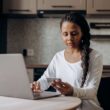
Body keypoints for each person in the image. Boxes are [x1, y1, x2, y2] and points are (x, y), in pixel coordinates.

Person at [32, 12, 103, 110]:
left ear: (82, 33)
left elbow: (92, 92)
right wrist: (38, 85)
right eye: (65, 34)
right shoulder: (58, 57)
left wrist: (72, 91)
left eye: (74, 33)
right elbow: (46, 79)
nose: (69, 38)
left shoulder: (95, 56)